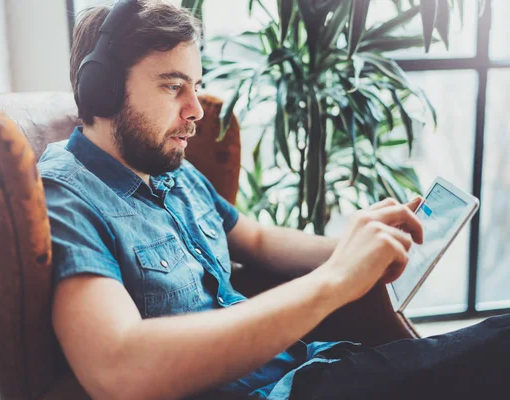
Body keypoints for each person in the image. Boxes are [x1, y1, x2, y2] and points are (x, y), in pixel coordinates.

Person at [37, 1, 509, 399]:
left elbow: (257, 238)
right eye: (173, 86)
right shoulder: (68, 197)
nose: (196, 110)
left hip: (305, 369)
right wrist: (336, 279)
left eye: (195, 86)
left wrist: (364, 245)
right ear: (100, 87)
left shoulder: (166, 166)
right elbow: (117, 366)